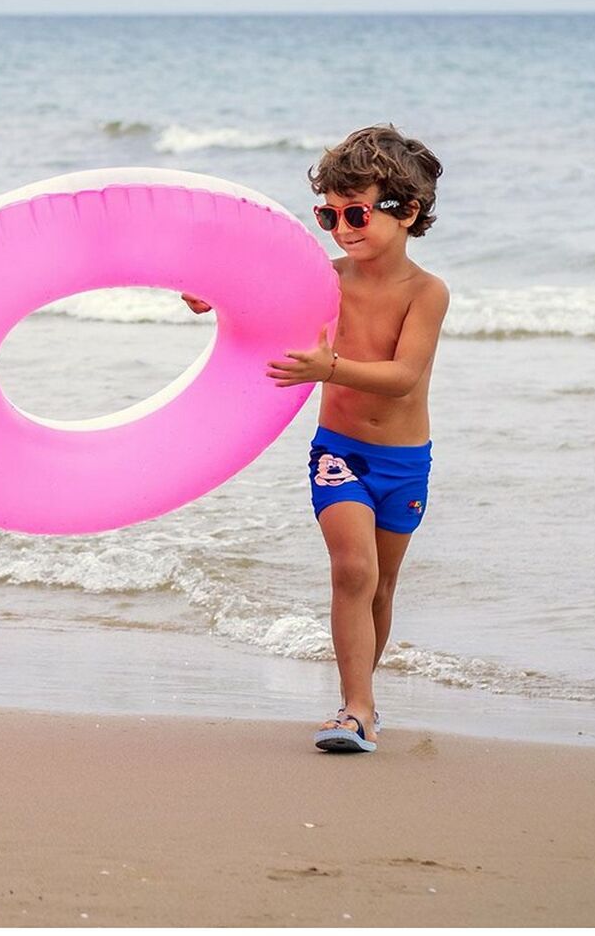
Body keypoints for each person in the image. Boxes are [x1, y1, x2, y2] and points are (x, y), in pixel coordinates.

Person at [182, 124, 448, 753]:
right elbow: (257, 294)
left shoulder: (426, 293)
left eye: (356, 213)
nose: (341, 228)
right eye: (328, 215)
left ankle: (364, 701)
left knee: (381, 585)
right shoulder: (322, 278)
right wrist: (211, 295)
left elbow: (403, 377)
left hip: (404, 463)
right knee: (353, 570)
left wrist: (330, 369)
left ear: (407, 212)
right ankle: (354, 710)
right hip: (339, 453)